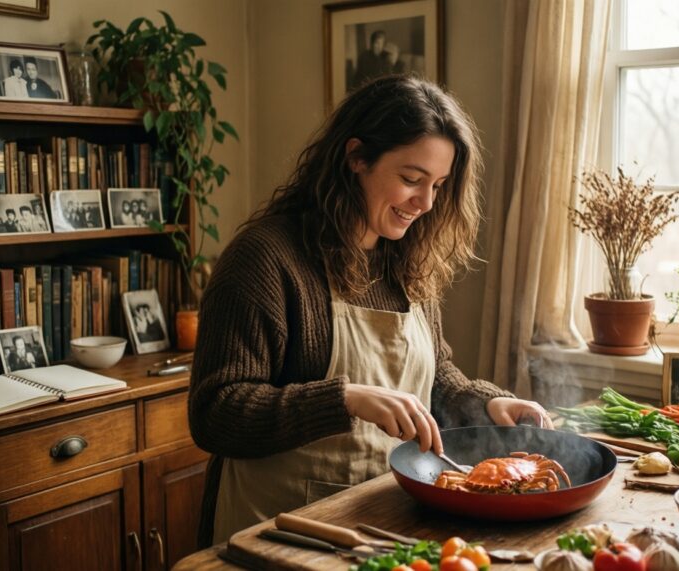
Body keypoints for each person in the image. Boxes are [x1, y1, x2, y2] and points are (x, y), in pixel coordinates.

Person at [188, 75, 554, 546]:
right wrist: (343, 398)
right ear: (356, 156)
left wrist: (486, 402)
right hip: (277, 530)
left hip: (380, 519)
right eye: (411, 179)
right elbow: (214, 413)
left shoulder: (407, 263)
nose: (425, 203)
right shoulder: (266, 258)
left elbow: (434, 378)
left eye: (439, 185)